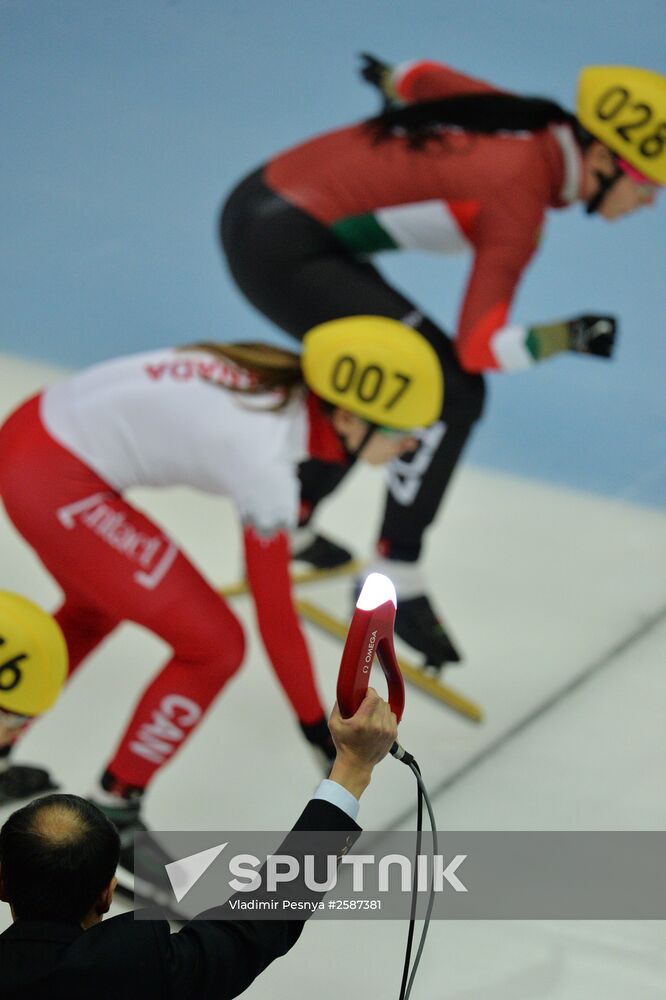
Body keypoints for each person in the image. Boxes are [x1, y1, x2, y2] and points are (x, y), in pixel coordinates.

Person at [219, 59, 664, 670]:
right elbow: (479, 347)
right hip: (284, 247)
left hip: (270, 209)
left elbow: (421, 77)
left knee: (389, 363)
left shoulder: (525, 117)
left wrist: (389, 76)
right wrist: (569, 335)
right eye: (647, 184)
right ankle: (395, 569)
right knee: (454, 389)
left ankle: (293, 517)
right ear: (605, 159)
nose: (648, 202)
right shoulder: (520, 198)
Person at [0, 316, 442, 887]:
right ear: (349, 417)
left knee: (97, 604)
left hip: (36, 440)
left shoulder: (279, 391)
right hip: (54, 473)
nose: (412, 443)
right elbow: (273, 612)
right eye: (405, 430)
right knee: (214, 646)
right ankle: (115, 806)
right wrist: (317, 725)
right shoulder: (267, 458)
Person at [0, 688, 397, 999]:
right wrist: (352, 767)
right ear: (107, 894)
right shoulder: (140, 972)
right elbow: (265, 917)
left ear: (2, 882)